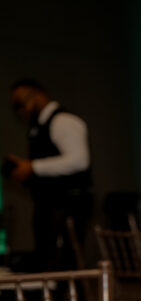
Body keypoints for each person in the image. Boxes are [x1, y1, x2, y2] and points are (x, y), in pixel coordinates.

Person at [5, 78, 93, 271]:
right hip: (48, 206)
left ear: (38, 95)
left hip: (67, 205)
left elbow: (80, 160)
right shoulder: (38, 126)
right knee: (48, 262)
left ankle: (70, 293)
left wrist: (33, 167)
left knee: (65, 265)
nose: (20, 110)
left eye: (20, 103)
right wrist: (26, 174)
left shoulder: (63, 121)